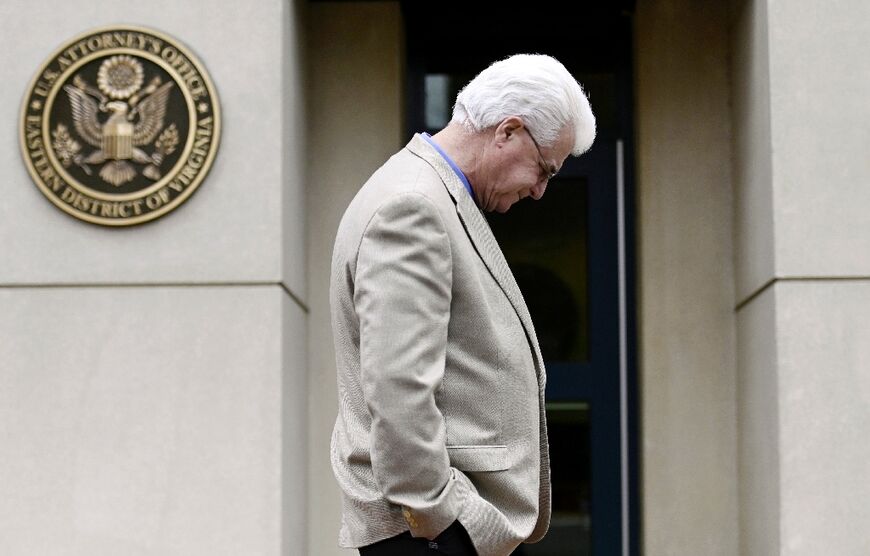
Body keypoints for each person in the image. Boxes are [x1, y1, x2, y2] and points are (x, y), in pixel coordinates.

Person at [329, 54, 596, 556]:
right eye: (545, 169)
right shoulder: (413, 207)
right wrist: (444, 526)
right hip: (423, 537)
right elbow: (398, 388)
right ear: (508, 131)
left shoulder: (427, 194)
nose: (540, 191)